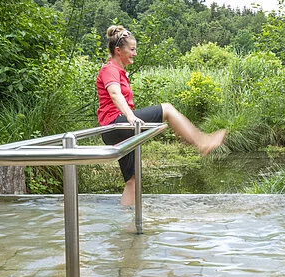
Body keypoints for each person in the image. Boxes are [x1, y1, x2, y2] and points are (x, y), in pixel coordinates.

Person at [97, 25, 227, 206]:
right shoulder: (109, 69)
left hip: (119, 127)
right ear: (118, 51)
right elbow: (114, 94)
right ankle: (202, 142)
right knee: (166, 109)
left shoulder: (119, 72)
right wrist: (130, 117)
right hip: (116, 125)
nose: (135, 53)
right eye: (132, 49)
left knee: (132, 180)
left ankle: (127, 224)